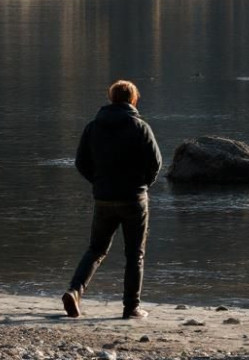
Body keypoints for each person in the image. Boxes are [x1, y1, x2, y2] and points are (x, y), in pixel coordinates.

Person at [62, 79, 162, 320]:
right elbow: (156, 163)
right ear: (133, 99)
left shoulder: (93, 127)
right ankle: (131, 307)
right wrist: (143, 185)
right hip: (134, 198)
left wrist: (98, 183)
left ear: (111, 98)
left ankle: (75, 291)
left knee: (96, 249)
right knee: (134, 255)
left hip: (104, 198)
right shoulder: (140, 127)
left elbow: (81, 162)